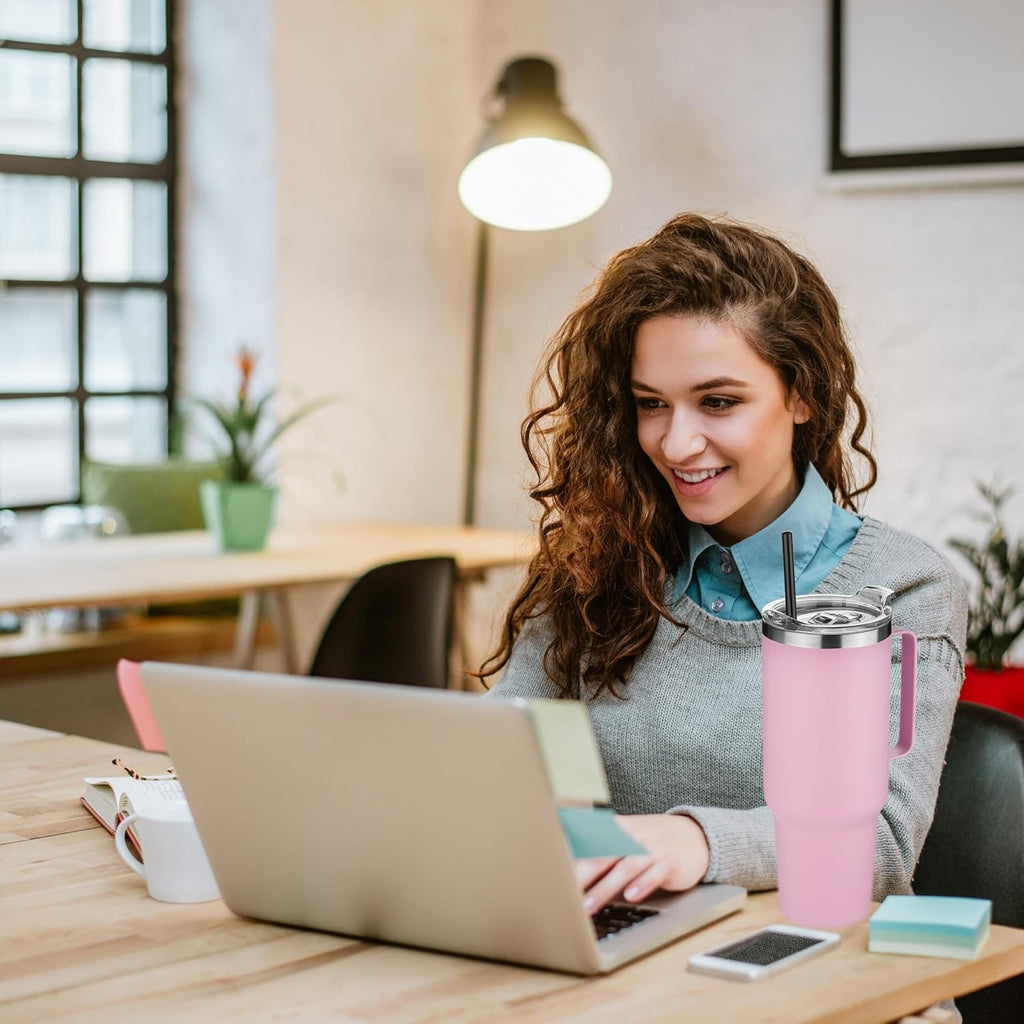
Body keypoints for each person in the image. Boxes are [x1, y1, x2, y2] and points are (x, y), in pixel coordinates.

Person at [480, 212, 968, 919]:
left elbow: (880, 844)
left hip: (829, 974)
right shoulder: (601, 563)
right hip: (637, 963)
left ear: (802, 394)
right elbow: (498, 759)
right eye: (652, 405)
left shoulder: (906, 588)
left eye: (718, 402)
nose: (678, 444)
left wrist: (692, 840)